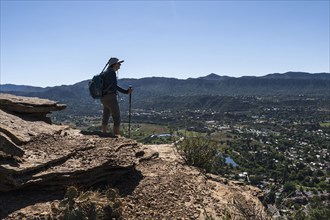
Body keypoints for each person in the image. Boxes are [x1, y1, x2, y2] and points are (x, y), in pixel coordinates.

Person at [101, 57, 132, 136]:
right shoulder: (111, 72)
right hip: (111, 97)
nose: (120, 65)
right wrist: (126, 91)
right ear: (114, 64)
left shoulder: (105, 73)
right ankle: (116, 136)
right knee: (116, 117)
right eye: (119, 63)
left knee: (106, 115)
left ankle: (103, 134)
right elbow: (114, 86)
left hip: (104, 97)